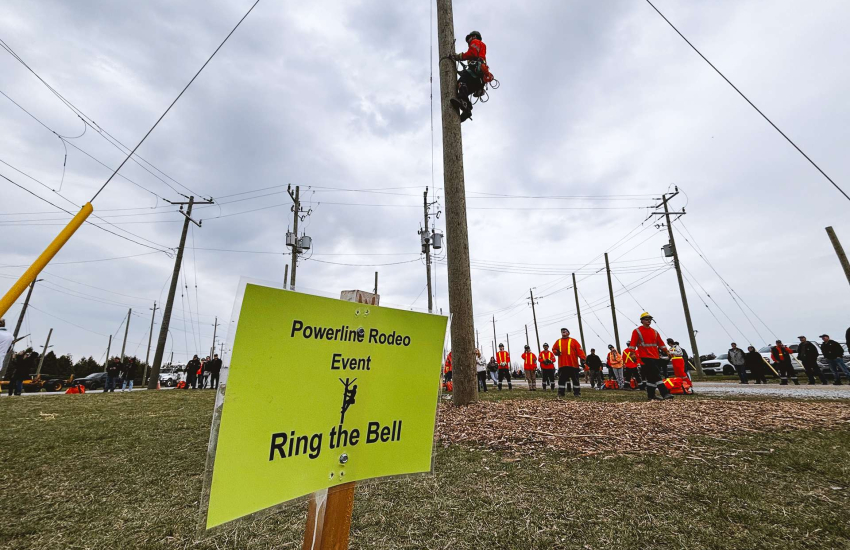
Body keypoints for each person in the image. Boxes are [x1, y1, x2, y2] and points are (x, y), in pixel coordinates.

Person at [629, 312, 673, 401]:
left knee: (651, 378)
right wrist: (632, 353)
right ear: (641, 321)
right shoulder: (637, 331)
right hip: (644, 357)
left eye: (650, 319)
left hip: (655, 357)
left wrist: (667, 351)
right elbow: (632, 344)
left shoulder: (654, 332)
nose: (648, 321)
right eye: (646, 319)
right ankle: (665, 393)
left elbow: (661, 343)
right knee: (657, 375)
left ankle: (651, 395)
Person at [449, 31, 489, 122]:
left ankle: (463, 102)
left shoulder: (475, 42)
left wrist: (459, 56)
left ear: (474, 36)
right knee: (465, 89)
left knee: (461, 83)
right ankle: (467, 109)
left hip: (474, 71)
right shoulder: (482, 46)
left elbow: (472, 53)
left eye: (469, 39)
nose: (468, 42)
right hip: (479, 79)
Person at [552, 328, 585, 397]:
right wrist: (556, 352)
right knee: (561, 380)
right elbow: (554, 349)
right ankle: (561, 393)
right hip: (562, 364)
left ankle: (577, 393)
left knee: (575, 380)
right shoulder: (558, 341)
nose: (563, 332)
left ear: (568, 333)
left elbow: (580, 351)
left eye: (565, 331)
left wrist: (583, 359)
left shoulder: (573, 341)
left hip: (573, 364)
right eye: (562, 331)